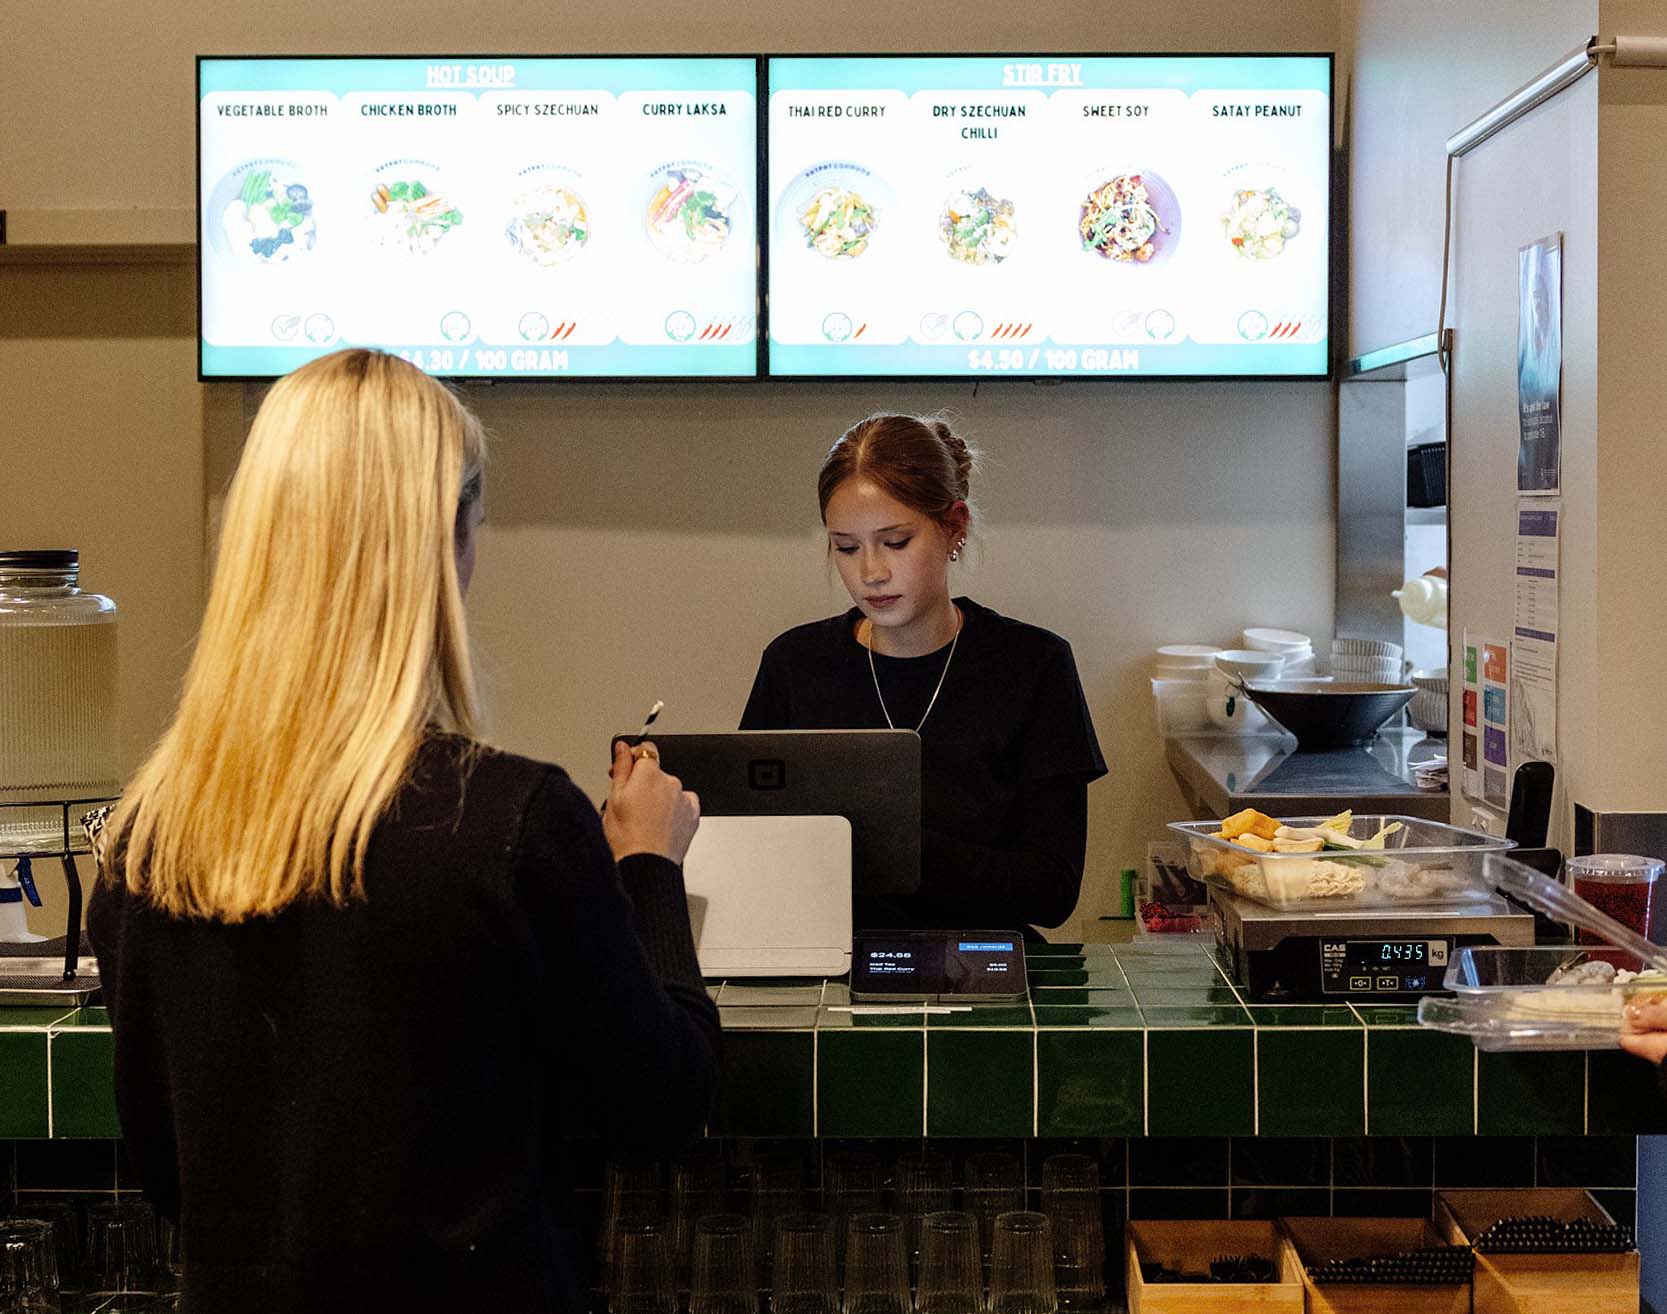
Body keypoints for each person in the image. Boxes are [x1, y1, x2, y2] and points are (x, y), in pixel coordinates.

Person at [88, 348, 718, 1312]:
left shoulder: (143, 846)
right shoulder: (509, 822)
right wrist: (646, 868)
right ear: (449, 540)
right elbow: (658, 1109)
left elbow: (170, 1173)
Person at [740, 413, 1106, 935]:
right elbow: (752, 849)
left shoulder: (1033, 665)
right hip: (828, 963)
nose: (871, 572)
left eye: (895, 542)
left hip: (984, 965)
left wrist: (893, 847)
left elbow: (1052, 891)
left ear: (953, 526)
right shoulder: (795, 664)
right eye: (846, 547)